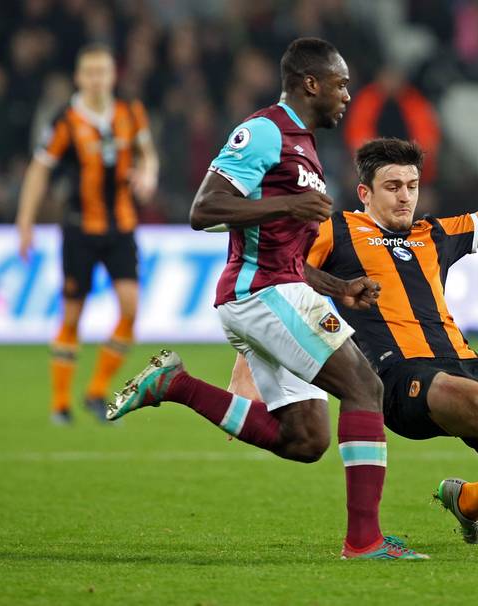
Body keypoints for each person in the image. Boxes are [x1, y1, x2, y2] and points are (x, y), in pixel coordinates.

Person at [230, 113, 478, 546]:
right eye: (392, 187)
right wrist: (248, 363)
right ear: (364, 193)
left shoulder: (435, 235)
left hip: (466, 365)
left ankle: (468, 500)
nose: (405, 197)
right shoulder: (338, 230)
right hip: (398, 376)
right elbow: (278, 283)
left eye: (411, 186)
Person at [107, 38, 427, 561]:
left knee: (305, 440)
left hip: (281, 288)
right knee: (365, 386)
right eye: (341, 84)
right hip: (261, 293)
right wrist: (290, 201)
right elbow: (204, 208)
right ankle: (364, 542)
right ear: (311, 83)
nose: (347, 95)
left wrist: (341, 288)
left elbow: (291, 256)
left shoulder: (304, 148)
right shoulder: (263, 132)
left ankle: (176, 384)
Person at [15, 43, 159, 424]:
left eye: (103, 72)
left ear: (113, 75)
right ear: (79, 77)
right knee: (73, 315)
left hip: (122, 227)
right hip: (80, 229)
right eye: (90, 72)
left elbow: (148, 154)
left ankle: (95, 391)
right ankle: (60, 402)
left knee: (130, 309)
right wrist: (25, 221)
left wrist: (147, 176)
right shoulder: (65, 121)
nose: (97, 79)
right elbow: (39, 169)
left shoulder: (131, 112)